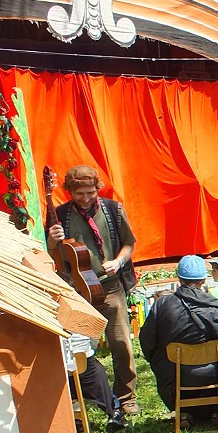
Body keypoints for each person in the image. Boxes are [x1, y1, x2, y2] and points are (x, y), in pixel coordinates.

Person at [47, 165, 139, 415]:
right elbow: (53, 254)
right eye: (80, 194)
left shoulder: (113, 209)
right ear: (69, 192)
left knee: (120, 343)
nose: (86, 199)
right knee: (79, 349)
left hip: (110, 288)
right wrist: (52, 240)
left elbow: (129, 244)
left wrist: (118, 262)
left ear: (97, 188)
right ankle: (90, 396)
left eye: (90, 193)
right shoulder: (60, 214)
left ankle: (127, 396)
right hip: (78, 291)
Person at [140, 255, 218, 426]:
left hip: (176, 372)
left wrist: (155, 358)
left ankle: (183, 411)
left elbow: (147, 339)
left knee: (160, 362)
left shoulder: (162, 305)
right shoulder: (216, 304)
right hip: (213, 372)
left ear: (179, 278)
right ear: (203, 280)